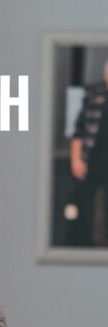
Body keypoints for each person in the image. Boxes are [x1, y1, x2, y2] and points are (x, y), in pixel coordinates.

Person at [65, 59, 108, 246]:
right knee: (81, 203)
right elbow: (79, 130)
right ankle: (78, 242)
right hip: (92, 158)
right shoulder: (94, 94)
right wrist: (76, 159)